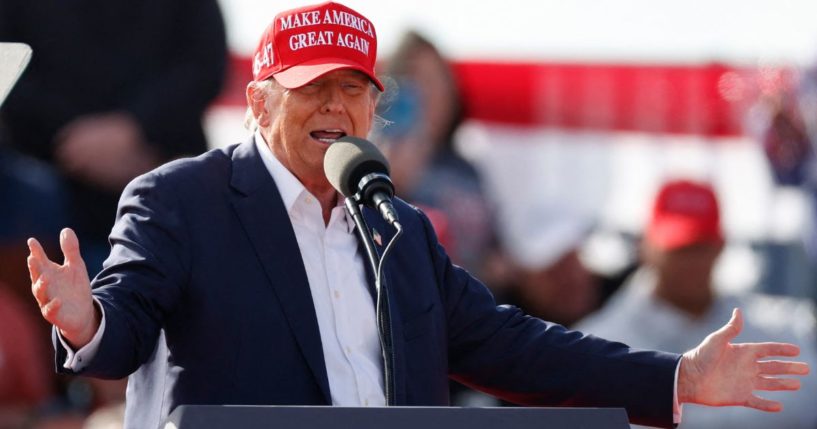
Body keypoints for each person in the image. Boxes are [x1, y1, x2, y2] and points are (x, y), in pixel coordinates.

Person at [26, 3, 808, 429]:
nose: (335, 105)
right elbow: (119, 332)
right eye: (311, 87)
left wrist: (675, 378)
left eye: (354, 89)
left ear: (375, 107)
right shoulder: (179, 199)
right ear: (260, 104)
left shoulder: (391, 224)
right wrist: (86, 316)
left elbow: (514, 347)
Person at [0, 0, 227, 274]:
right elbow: (8, 64)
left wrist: (133, 130)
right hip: (43, 174)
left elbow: (204, 65)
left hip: (159, 166)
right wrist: (77, 141)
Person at [575, 179, 817, 428]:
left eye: (700, 246)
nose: (690, 261)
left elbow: (806, 404)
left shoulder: (781, 330)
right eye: (677, 247)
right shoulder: (597, 342)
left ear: (720, 246)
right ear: (646, 247)